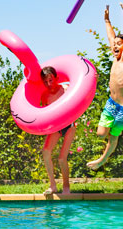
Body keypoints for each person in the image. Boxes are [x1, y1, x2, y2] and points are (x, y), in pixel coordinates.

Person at [87, 0, 123, 170]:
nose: (114, 46)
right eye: (114, 44)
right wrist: (107, 20)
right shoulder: (115, 58)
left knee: (113, 137)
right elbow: (110, 36)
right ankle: (103, 156)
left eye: (118, 44)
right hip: (111, 104)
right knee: (101, 134)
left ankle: (102, 159)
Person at [40, 66, 76, 195]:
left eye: (51, 80)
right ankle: (53, 185)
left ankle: (66, 186)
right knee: (46, 151)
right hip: (56, 127)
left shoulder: (65, 89)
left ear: (56, 78)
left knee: (62, 158)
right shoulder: (45, 96)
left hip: (69, 125)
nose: (48, 84)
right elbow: (45, 113)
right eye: (45, 81)